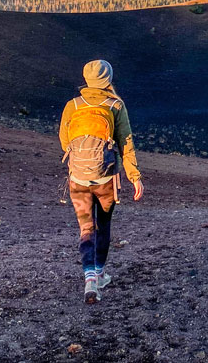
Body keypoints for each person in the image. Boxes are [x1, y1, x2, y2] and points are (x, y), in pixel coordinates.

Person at [59, 59, 144, 303]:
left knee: (86, 227)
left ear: (86, 79)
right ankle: (99, 272)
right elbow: (126, 143)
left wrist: (82, 157)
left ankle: (89, 279)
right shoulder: (115, 105)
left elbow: (65, 142)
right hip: (105, 178)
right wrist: (134, 176)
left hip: (78, 178)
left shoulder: (72, 105)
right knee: (103, 225)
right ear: (108, 79)